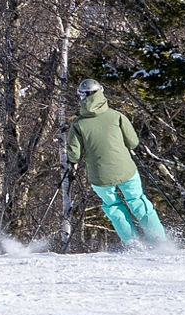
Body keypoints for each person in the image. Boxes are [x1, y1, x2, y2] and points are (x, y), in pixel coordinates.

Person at [69, 79, 169, 248]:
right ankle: (158, 240)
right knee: (137, 201)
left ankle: (133, 243)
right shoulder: (116, 116)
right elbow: (133, 142)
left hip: (100, 177)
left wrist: (72, 162)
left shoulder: (78, 124)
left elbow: (74, 154)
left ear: (82, 97)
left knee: (113, 207)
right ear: (101, 92)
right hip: (126, 170)